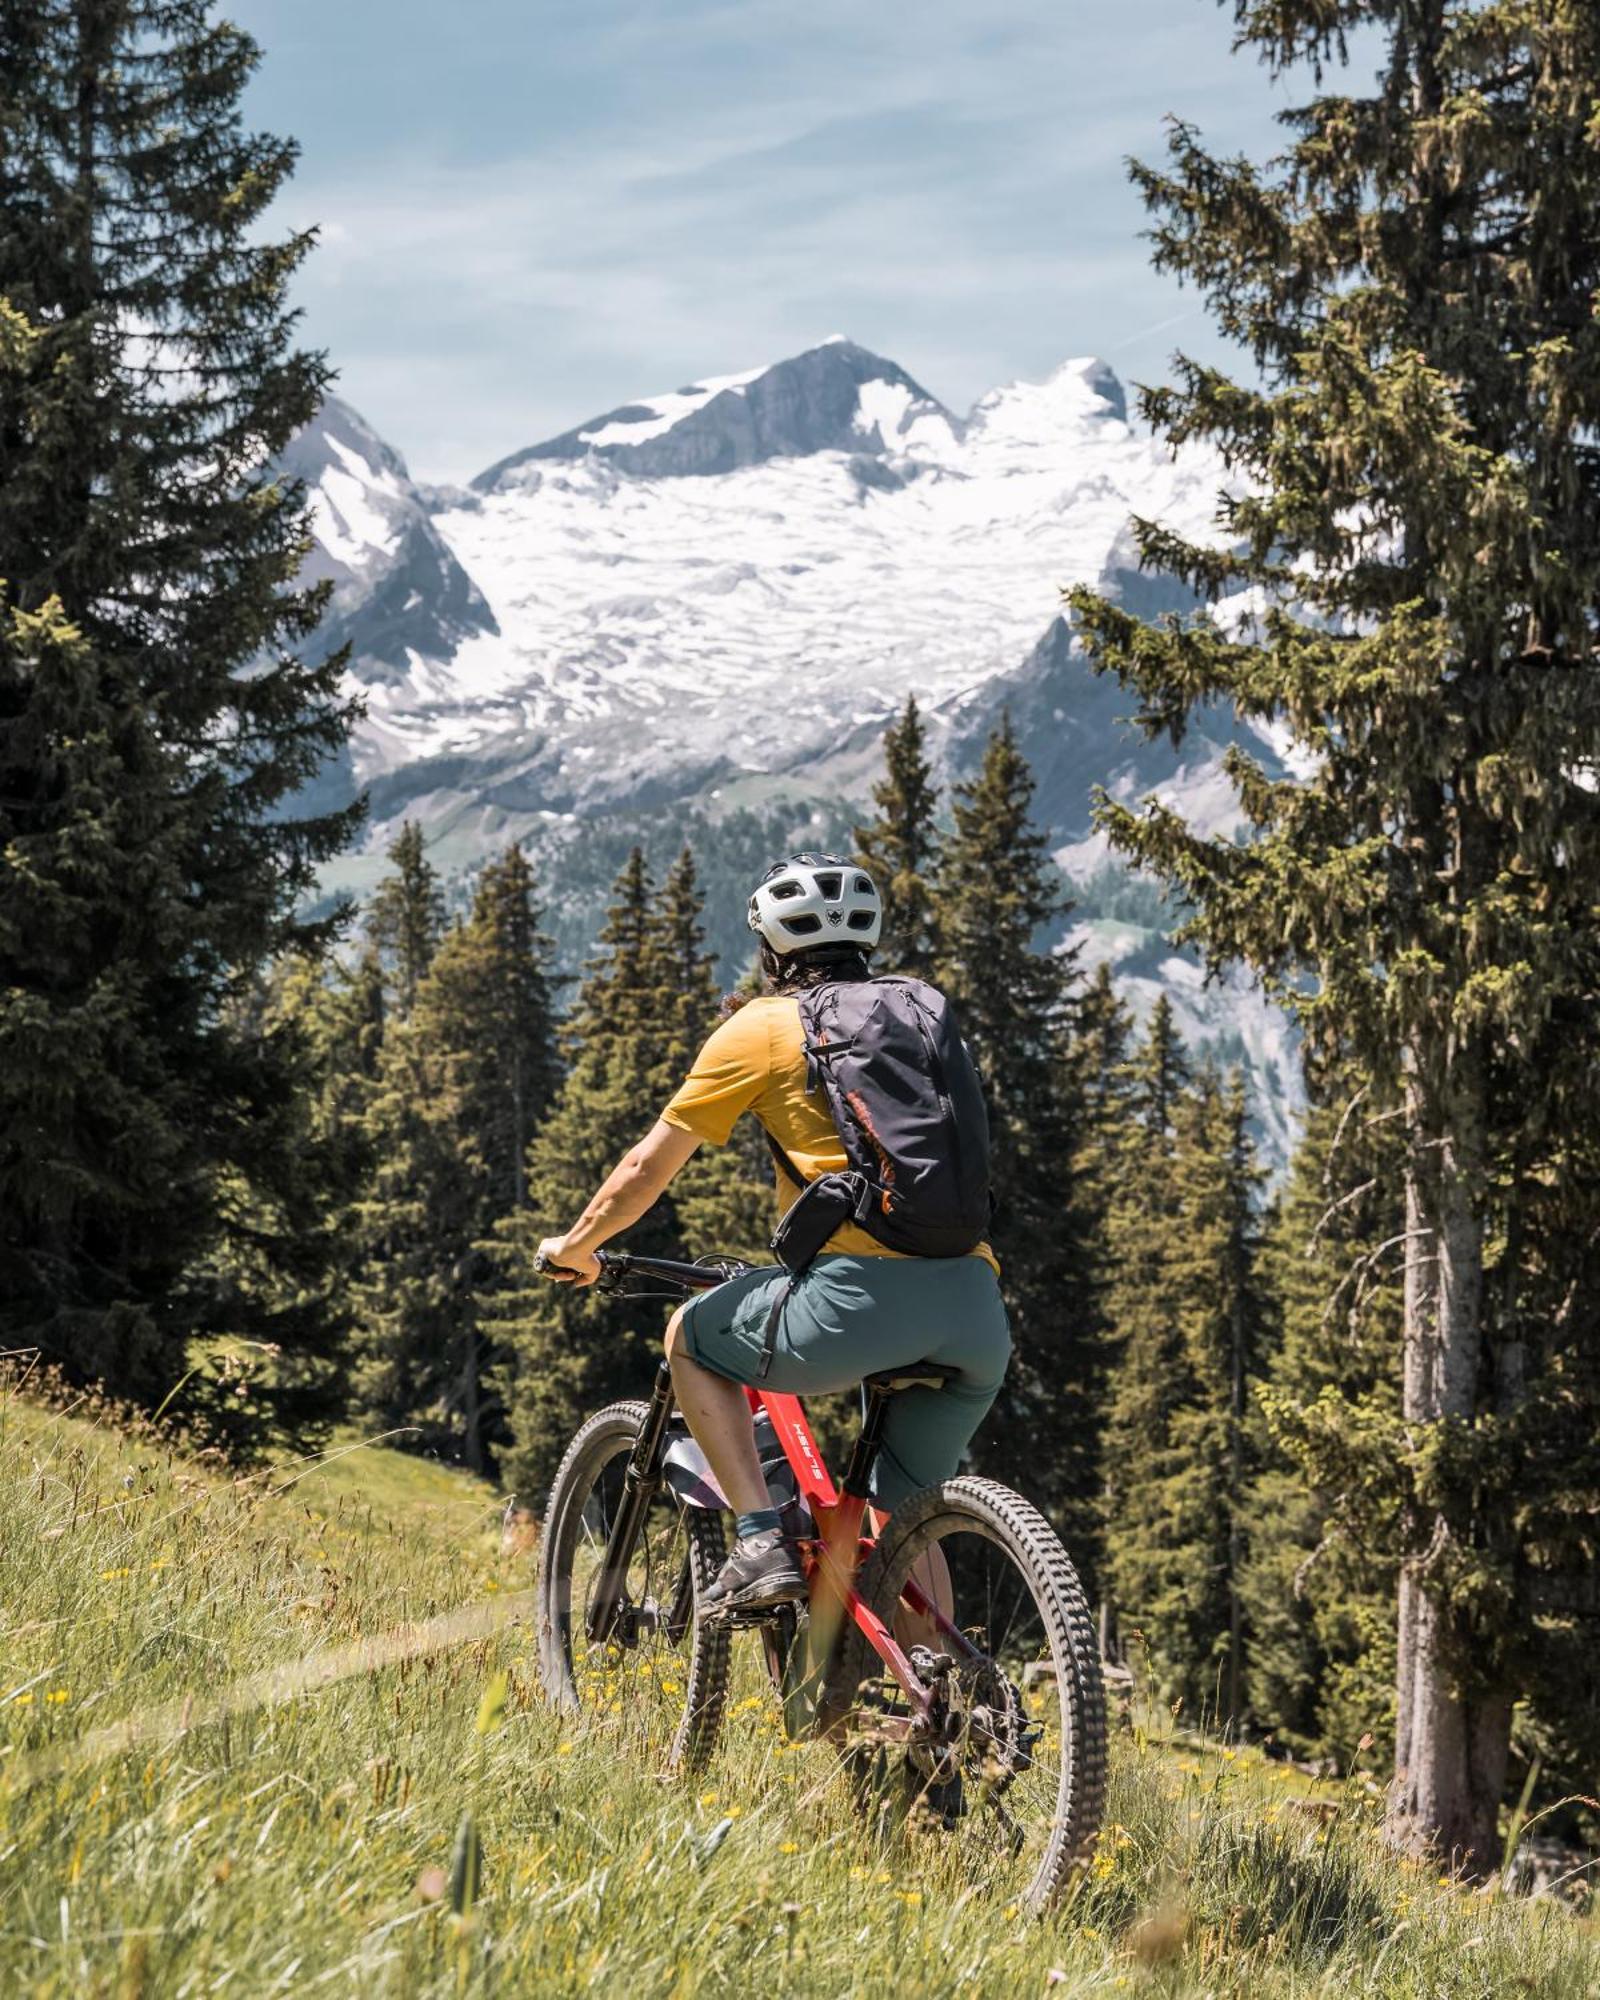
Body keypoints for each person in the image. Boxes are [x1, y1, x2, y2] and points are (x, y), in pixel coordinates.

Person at [535, 853, 1010, 1618]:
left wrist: (579, 1244)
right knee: (904, 1524)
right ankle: (948, 1719)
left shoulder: (759, 1027)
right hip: (975, 1312)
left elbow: (646, 1167)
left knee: (690, 1335)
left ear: (770, 945)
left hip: (854, 1307)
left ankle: (759, 1541)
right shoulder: (922, 1011)